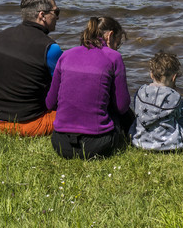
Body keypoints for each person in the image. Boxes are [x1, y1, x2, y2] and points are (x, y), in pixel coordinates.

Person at [46, 15, 131, 159]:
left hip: (61, 144)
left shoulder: (66, 55)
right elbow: (121, 107)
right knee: (126, 112)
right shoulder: (114, 57)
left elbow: (50, 103)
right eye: (118, 43)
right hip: (97, 145)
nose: (117, 48)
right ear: (110, 36)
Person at [0, 0, 63, 136]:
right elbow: (66, 87)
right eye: (56, 12)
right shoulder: (50, 48)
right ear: (42, 15)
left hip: (0, 122)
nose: (58, 17)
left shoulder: (3, 36)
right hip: (31, 124)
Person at [132, 50, 183, 151]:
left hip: (140, 141)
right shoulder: (175, 97)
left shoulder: (140, 92)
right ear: (174, 77)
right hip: (169, 145)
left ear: (151, 75)